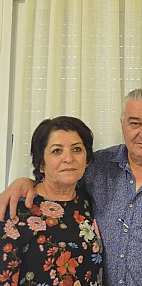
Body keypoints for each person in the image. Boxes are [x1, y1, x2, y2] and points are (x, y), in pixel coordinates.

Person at [0, 86, 142, 285]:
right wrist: (26, 182)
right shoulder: (98, 166)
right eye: (134, 123)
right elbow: (59, 180)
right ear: (123, 125)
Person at [0, 116, 103, 285]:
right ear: (41, 163)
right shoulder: (15, 210)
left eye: (77, 149)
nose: (68, 158)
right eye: (57, 151)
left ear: (86, 160)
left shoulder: (89, 203)